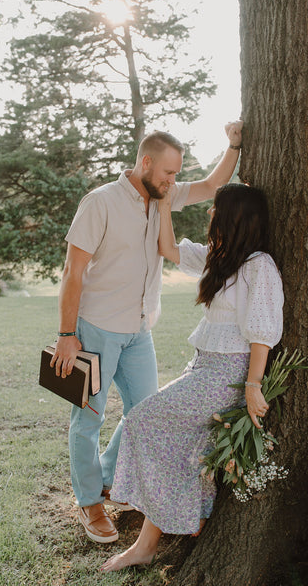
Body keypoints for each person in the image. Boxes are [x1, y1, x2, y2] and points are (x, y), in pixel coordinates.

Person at [50, 122, 243, 544]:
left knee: (145, 412)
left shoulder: (162, 197)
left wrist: (233, 145)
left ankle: (103, 477)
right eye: (168, 173)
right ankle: (89, 501)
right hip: (95, 328)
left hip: (139, 330)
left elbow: (212, 184)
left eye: (176, 175)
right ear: (146, 162)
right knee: (88, 419)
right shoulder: (99, 203)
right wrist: (67, 333)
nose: (173, 182)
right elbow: (73, 271)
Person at [100, 182, 284, 572]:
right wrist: (165, 204)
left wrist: (252, 387)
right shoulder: (221, 258)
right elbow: (168, 249)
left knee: (143, 421)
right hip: (203, 367)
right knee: (184, 450)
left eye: (216, 209)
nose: (210, 214)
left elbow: (262, 332)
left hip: (227, 376)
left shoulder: (258, 266)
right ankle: (155, 540)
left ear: (235, 218)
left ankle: (179, 519)